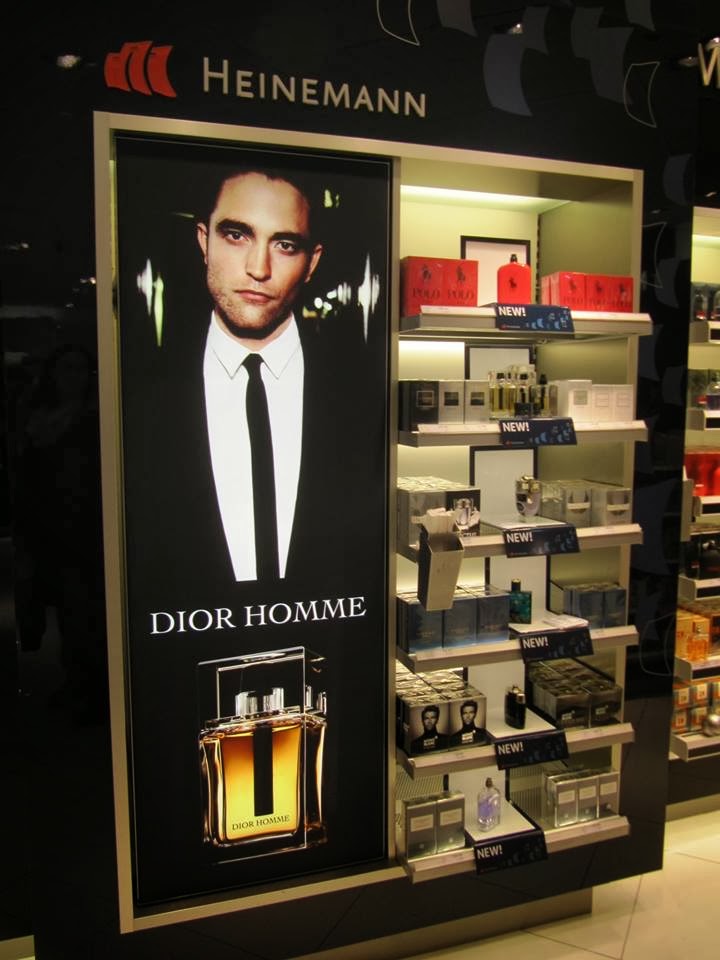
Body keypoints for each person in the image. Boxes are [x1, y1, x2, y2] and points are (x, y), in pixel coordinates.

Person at [122, 160, 375, 596]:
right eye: (237, 235)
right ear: (204, 240)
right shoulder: (139, 398)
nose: (258, 268)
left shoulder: (360, 395)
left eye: (285, 245)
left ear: (312, 262)